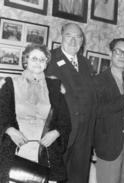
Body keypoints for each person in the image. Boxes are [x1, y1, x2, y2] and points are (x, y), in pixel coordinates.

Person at [0, 43, 71, 182]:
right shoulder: (9, 84)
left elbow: (65, 121)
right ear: (25, 61)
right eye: (34, 58)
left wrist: (55, 133)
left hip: (46, 150)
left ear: (46, 63)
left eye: (42, 59)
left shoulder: (55, 87)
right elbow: (1, 114)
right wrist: (9, 130)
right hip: (15, 148)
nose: (38, 63)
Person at [45, 23, 97, 183]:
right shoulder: (48, 59)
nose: (73, 41)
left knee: (79, 176)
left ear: (82, 40)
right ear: (61, 36)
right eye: (69, 36)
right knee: (55, 176)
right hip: (59, 132)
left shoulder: (86, 63)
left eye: (78, 37)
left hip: (84, 133)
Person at [93, 38, 124, 183]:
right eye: (118, 51)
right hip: (110, 139)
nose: (123, 55)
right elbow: (96, 111)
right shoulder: (98, 81)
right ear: (110, 54)